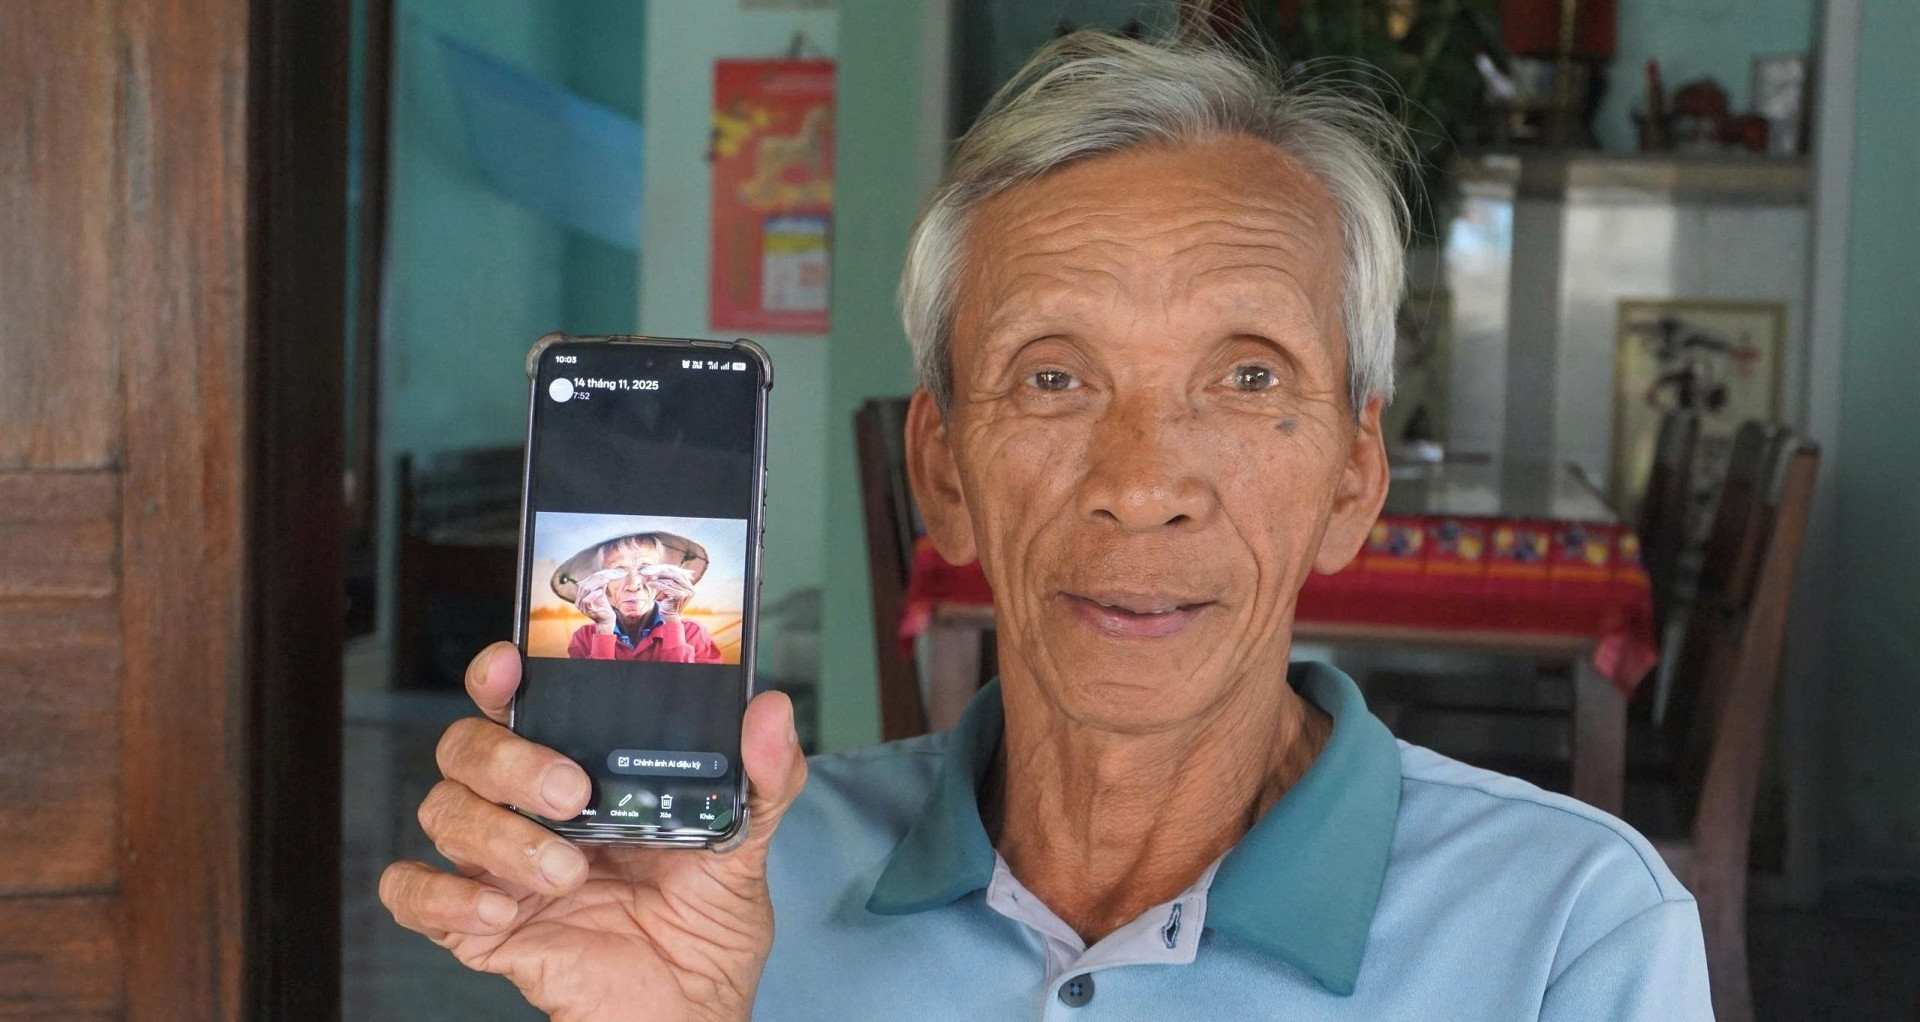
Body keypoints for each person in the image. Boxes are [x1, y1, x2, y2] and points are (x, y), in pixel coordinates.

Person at [381, 30, 1713, 1021]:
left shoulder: (1569, 928)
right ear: (943, 463)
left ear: (1354, 475)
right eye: (1054, 376)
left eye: (1248, 375)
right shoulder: (735, 873)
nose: (1143, 480)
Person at [557, 532, 724, 663]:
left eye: (645, 568)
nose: (633, 584)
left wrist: (672, 620)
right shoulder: (584, 638)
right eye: (618, 572)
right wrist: (604, 629)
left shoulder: (692, 633)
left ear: (662, 576)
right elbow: (591, 694)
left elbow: (688, 695)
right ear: (603, 584)